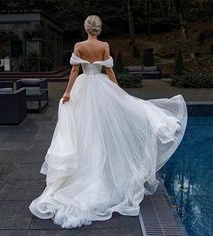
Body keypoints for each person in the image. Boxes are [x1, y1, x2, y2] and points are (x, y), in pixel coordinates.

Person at [29, 15, 188, 229]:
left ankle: (83, 170)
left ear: (86, 28)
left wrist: (67, 93)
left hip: (83, 89)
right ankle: (100, 170)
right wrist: (118, 92)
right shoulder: (104, 45)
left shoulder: (79, 46)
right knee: (101, 129)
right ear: (99, 29)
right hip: (102, 89)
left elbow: (75, 71)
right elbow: (110, 70)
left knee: (83, 129)